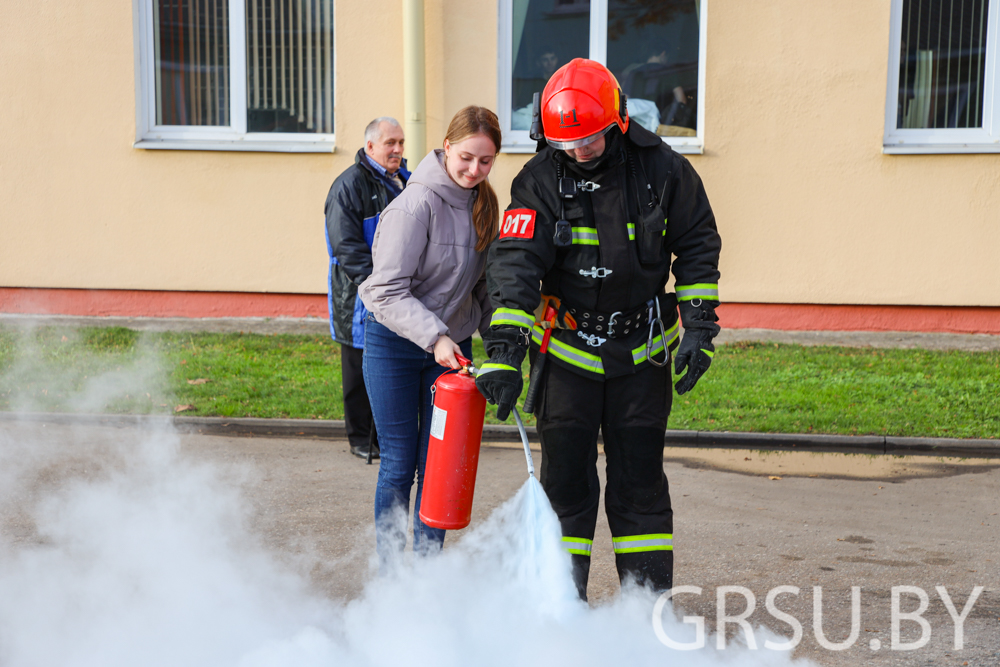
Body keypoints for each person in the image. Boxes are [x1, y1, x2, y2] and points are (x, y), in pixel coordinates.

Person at [476, 59, 722, 600]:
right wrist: (502, 351)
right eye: (569, 143)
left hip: (643, 355)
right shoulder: (539, 179)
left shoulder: (664, 170)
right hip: (567, 357)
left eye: (590, 139)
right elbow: (515, 265)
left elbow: (698, 243)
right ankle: (564, 616)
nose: (580, 150)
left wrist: (700, 325)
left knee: (639, 486)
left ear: (618, 122)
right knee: (565, 487)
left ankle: (646, 615)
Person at [359, 106, 499, 568]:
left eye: (485, 161)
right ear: (446, 145)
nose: (474, 170)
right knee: (400, 462)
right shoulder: (414, 204)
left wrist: (502, 344)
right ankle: (391, 576)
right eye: (466, 157)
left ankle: (427, 575)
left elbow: (482, 291)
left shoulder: (485, 204)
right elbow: (383, 289)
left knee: (438, 467)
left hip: (450, 352)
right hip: (395, 348)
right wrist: (436, 337)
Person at [324, 117, 408, 460]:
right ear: (370, 146)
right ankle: (361, 439)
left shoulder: (405, 179)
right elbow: (347, 249)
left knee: (389, 366)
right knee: (359, 369)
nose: (398, 150)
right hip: (360, 297)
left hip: (396, 293)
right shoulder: (348, 186)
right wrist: (377, 289)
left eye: (401, 142)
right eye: (390, 143)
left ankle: (385, 436)